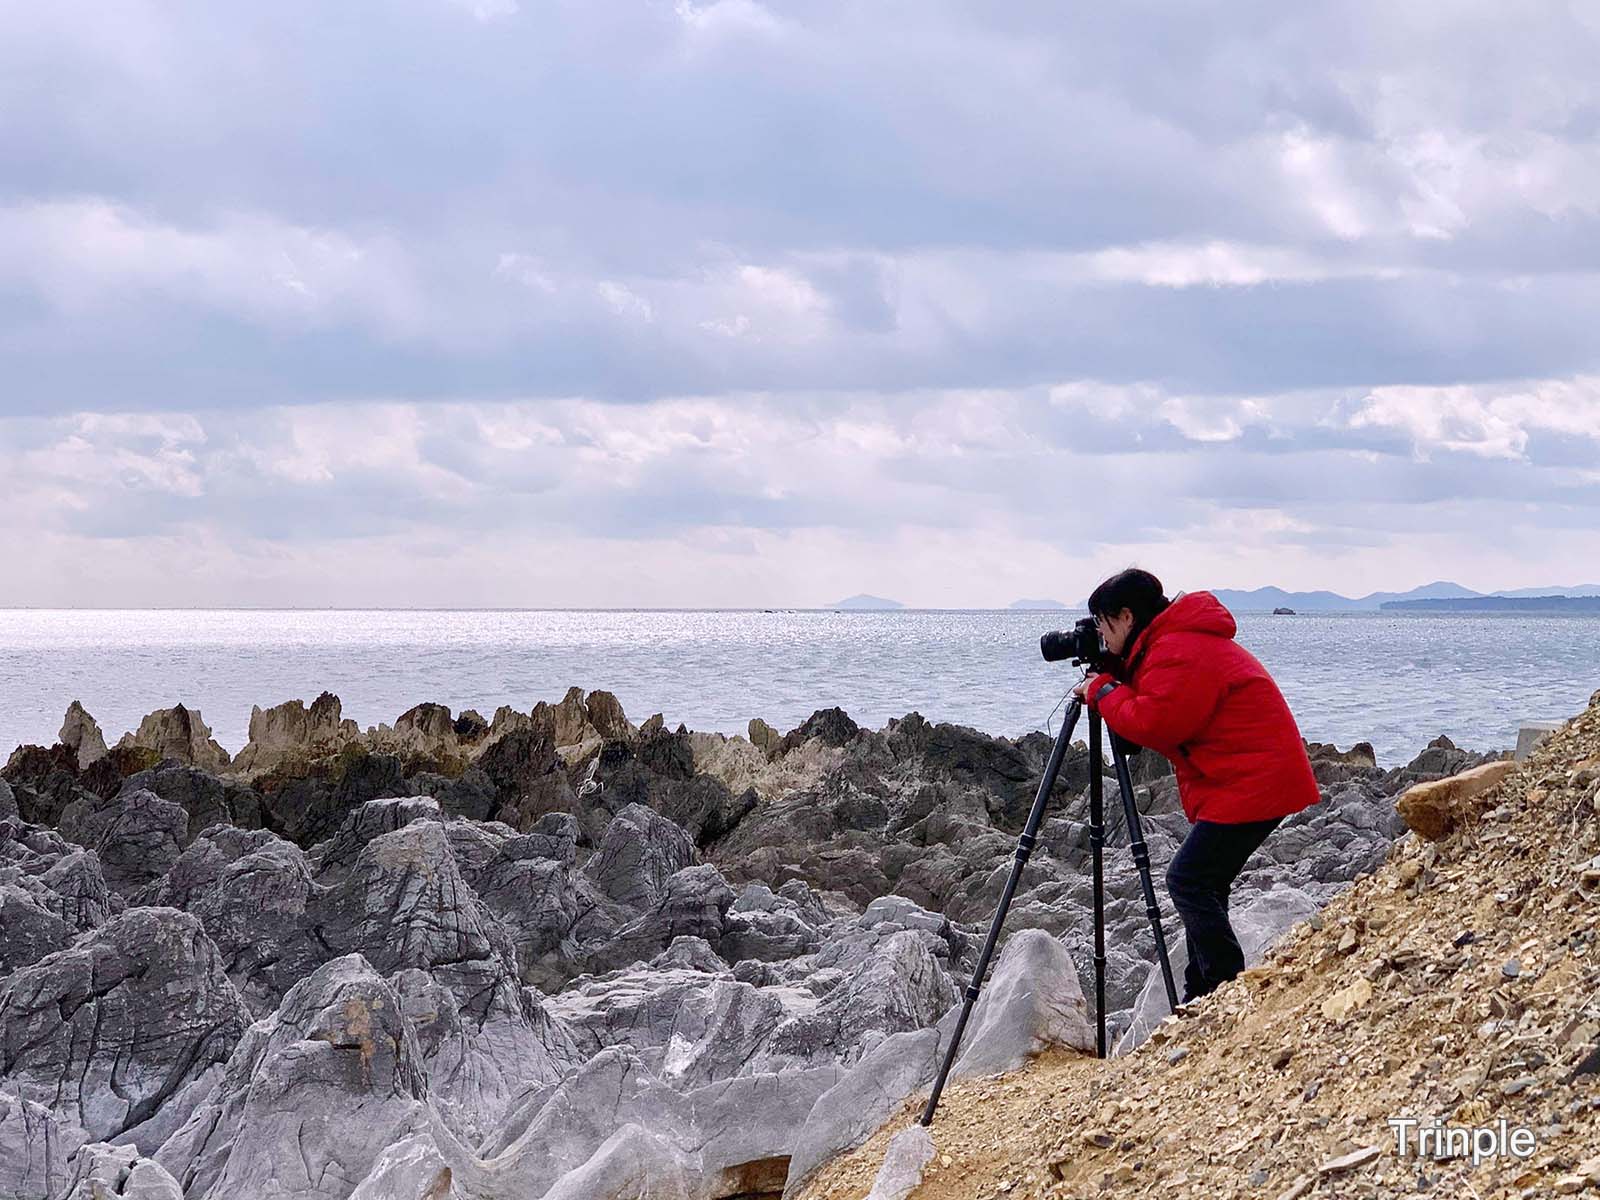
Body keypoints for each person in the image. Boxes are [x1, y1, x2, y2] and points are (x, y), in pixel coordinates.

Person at [1070, 568, 1320, 1004]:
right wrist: (1117, 678)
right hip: (1246, 776)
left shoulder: (1178, 648)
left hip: (1255, 779)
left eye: (1103, 624)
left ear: (1126, 617)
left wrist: (1104, 690)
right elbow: (1137, 734)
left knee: (1188, 881)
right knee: (1204, 882)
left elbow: (1157, 723)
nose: (1100, 635)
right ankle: (1200, 992)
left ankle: (1224, 988)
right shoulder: (1167, 645)